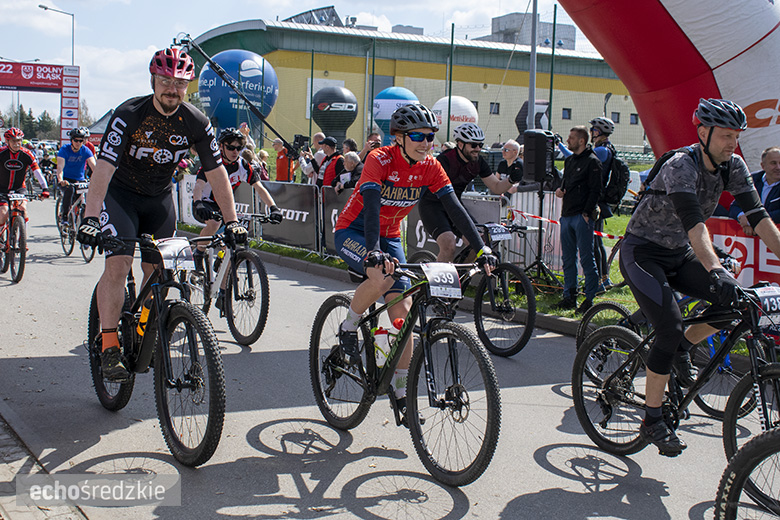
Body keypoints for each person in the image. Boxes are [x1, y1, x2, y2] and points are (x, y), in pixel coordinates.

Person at [77, 47, 247, 382]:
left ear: (188, 86)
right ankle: (109, 345)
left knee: (160, 270)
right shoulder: (129, 113)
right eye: (166, 80)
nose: (173, 88)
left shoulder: (195, 121)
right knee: (119, 263)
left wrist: (232, 222)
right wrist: (90, 216)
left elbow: (217, 174)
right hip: (120, 197)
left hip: (159, 200)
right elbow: (105, 168)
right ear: (153, 80)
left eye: (180, 83)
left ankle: (143, 328)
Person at [621, 98, 780, 456]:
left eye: (735, 136)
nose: (732, 144)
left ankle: (681, 350)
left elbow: (759, 218)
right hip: (643, 252)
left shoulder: (733, 166)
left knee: (735, 303)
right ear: (703, 132)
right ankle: (652, 418)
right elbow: (695, 225)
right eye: (725, 136)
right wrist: (717, 268)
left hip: (679, 253)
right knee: (669, 327)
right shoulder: (681, 166)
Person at [333, 103, 498, 425]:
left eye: (431, 137)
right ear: (399, 137)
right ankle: (349, 325)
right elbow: (369, 207)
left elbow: (455, 208)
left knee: (402, 314)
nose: (426, 143)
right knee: (381, 277)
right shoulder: (380, 159)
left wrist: (482, 249)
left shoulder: (432, 166)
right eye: (419, 136)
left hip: (391, 235)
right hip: (355, 230)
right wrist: (373, 251)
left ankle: (400, 391)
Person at [192, 128, 283, 311]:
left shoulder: (243, 165)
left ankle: (223, 292)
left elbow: (259, 187)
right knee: (214, 224)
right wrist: (198, 203)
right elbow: (198, 186)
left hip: (226, 207)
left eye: (239, 148)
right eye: (231, 147)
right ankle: (199, 252)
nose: (235, 151)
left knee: (232, 246)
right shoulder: (212, 163)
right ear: (221, 147)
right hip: (206, 203)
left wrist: (273, 207)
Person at [418, 122, 521, 262]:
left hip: (455, 205)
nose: (477, 149)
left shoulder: (478, 161)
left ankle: (460, 277)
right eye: (473, 145)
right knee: (448, 245)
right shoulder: (445, 160)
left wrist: (511, 179)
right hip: (432, 205)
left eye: (480, 145)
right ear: (460, 144)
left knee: (480, 243)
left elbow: (496, 187)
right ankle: (439, 284)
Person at [553, 126, 602, 314]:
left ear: (582, 141)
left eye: (571, 138)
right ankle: (569, 296)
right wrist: (560, 191)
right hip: (567, 215)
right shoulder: (570, 160)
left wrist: (587, 213)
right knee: (568, 259)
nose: (568, 140)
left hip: (582, 216)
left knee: (587, 258)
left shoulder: (593, 162)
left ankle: (590, 298)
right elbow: (564, 185)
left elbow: (595, 190)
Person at [0, 128, 49, 228]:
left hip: (19, 188)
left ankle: (22, 240)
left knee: (23, 209)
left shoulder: (27, 154)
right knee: (3, 213)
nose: (17, 144)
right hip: (2, 188)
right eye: (13, 141)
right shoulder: (1, 153)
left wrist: (45, 188)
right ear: (7, 141)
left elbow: (37, 172)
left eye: (19, 140)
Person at [728, 146, 780, 234]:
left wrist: (752, 221)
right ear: (763, 166)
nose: (778, 167)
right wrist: (742, 217)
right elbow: (734, 207)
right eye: (773, 163)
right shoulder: (752, 180)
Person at [57, 127, 97, 225]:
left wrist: (98, 180)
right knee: (69, 190)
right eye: (76, 140)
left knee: (86, 196)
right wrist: (61, 180)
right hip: (66, 179)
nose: (78, 143)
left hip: (79, 179)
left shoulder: (86, 150)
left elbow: (94, 167)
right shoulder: (64, 150)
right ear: (71, 140)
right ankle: (65, 216)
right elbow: (60, 168)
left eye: (81, 140)